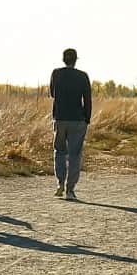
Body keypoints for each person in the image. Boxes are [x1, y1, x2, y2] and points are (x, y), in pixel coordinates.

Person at [50, 48, 92, 201]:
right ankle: (70, 190)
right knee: (75, 155)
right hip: (77, 120)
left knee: (59, 151)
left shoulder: (56, 74)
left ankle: (60, 182)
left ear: (63, 60)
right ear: (75, 60)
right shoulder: (82, 76)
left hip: (60, 118)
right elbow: (87, 99)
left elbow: (52, 93)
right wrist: (87, 118)